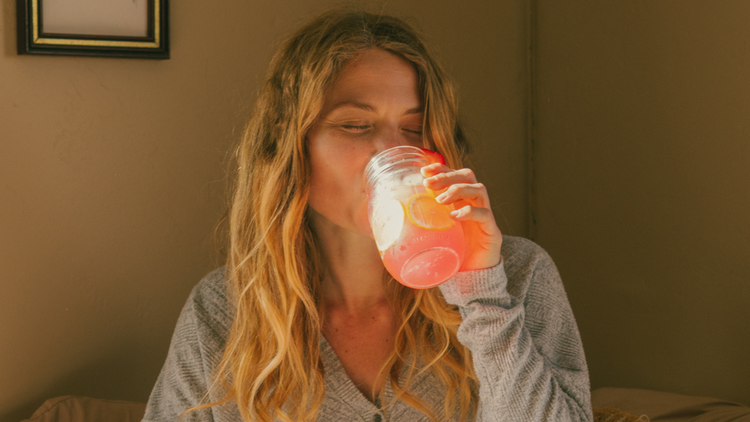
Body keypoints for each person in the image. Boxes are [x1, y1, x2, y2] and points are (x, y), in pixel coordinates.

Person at [142, 8, 593, 422]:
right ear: (292, 146)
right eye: (355, 126)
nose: (394, 151)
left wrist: (483, 294)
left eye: (414, 129)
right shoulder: (227, 312)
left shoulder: (517, 276)